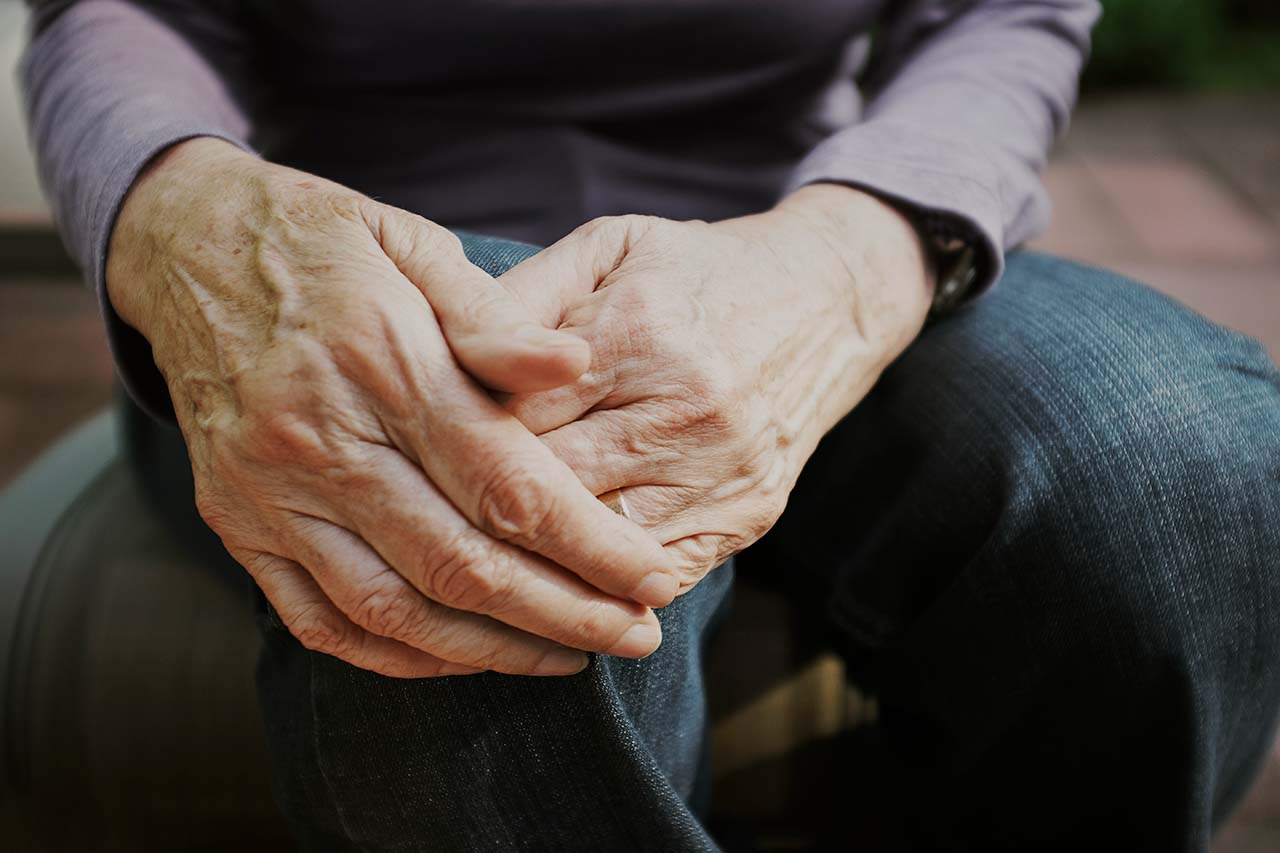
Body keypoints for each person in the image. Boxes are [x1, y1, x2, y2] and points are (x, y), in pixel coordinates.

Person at [19, 1, 1280, 849]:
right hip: (341, 259)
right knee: (465, 513)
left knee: (1173, 450)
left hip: (797, 220)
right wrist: (178, 207)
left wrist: (851, 253)